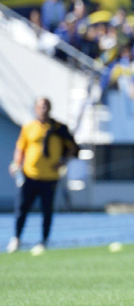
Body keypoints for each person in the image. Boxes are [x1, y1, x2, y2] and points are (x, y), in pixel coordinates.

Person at [7, 98, 77, 254]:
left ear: (50, 109)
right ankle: (17, 238)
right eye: (40, 106)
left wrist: (64, 161)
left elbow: (73, 146)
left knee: (47, 210)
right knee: (22, 208)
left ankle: (44, 240)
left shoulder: (59, 128)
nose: (43, 109)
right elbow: (21, 148)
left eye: (46, 106)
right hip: (29, 175)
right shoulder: (28, 127)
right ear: (36, 109)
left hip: (50, 177)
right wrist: (16, 164)